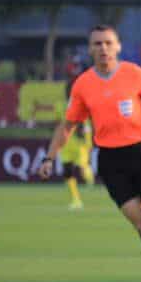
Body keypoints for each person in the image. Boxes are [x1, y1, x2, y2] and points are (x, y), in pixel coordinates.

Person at [39, 25, 141, 282]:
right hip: (111, 161)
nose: (103, 48)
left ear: (118, 46)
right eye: (97, 44)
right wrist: (49, 158)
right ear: (90, 49)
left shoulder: (136, 74)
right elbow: (67, 126)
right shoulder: (83, 84)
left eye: (108, 43)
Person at [59, 77, 94, 210]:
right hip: (66, 142)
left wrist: (87, 137)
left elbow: (86, 121)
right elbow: (60, 122)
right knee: (67, 170)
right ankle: (76, 199)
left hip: (81, 142)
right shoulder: (61, 105)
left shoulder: (81, 103)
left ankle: (89, 176)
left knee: (81, 169)